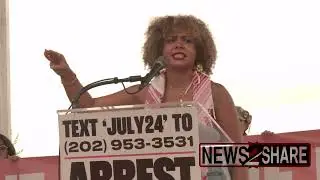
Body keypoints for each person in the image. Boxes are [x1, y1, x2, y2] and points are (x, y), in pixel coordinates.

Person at [44, 15, 247, 180]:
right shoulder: (145, 91)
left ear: (199, 50)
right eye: (171, 40)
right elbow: (89, 104)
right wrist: (67, 75)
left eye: (188, 41)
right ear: (159, 49)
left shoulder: (216, 92)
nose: (179, 45)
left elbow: (238, 153)